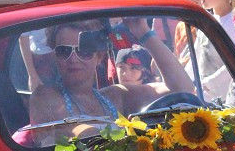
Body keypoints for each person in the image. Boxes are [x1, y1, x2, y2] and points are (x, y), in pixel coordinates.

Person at [27, 18, 196, 129]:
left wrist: (142, 31)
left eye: (84, 51)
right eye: (64, 51)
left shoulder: (116, 96)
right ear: (55, 56)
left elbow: (183, 88)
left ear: (99, 57)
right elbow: (75, 132)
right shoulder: (43, 96)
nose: (73, 59)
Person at [191, 0, 235, 101]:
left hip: (226, 99)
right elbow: (196, 56)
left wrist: (208, 83)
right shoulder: (207, 20)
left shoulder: (234, 25)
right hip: (204, 95)